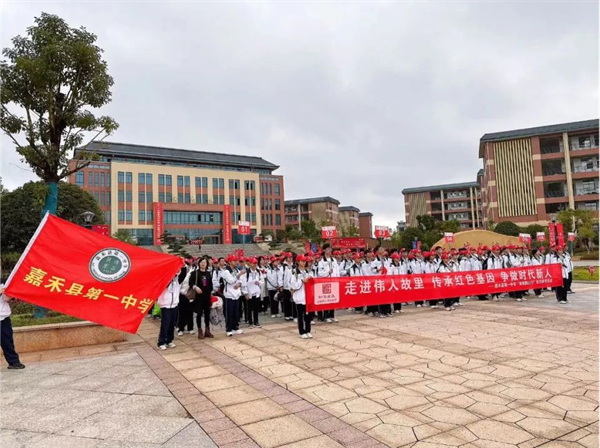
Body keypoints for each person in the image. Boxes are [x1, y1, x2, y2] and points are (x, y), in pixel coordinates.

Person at [0, 284, 25, 369]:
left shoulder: (3, 282)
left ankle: (14, 362)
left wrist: (10, 293)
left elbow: (6, 298)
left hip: (3, 318)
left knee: (7, 341)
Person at [290, 255, 314, 339]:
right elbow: (293, 285)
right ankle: (301, 331)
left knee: (308, 315)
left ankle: (308, 330)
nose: (304, 262)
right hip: (299, 297)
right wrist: (302, 281)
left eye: (305, 261)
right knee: (300, 316)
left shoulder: (307, 271)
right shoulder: (294, 272)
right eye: (302, 261)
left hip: (307, 297)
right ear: (298, 262)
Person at [190, 258, 214, 338]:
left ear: (207, 264)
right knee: (199, 314)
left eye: (205, 262)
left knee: (207, 314)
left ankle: (207, 330)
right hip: (198, 297)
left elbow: (210, 285)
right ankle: (200, 331)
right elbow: (191, 282)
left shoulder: (208, 273)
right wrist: (195, 287)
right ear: (199, 263)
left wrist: (211, 293)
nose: (203, 264)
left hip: (207, 297)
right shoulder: (195, 273)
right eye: (202, 262)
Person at [222, 255, 245, 337]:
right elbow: (230, 280)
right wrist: (238, 276)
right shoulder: (226, 271)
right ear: (230, 262)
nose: (236, 262)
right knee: (229, 312)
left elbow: (241, 280)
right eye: (234, 261)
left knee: (236, 312)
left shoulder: (237, 269)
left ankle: (235, 327)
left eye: (236, 261)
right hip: (229, 294)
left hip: (237, 294)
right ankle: (228, 329)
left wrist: (239, 284)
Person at [317, 244, 339, 323]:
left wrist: (338, 279)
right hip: (326, 282)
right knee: (327, 299)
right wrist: (327, 272)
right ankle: (326, 316)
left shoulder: (334, 260)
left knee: (333, 299)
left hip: (334, 282)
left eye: (330, 249)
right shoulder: (321, 262)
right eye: (328, 249)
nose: (329, 251)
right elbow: (320, 273)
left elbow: (337, 271)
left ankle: (332, 315)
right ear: (324, 250)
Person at [157, 275, 180, 350]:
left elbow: (183, 273)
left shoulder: (177, 279)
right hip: (165, 304)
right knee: (165, 324)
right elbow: (164, 286)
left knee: (172, 324)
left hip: (174, 304)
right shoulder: (164, 277)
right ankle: (161, 342)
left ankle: (169, 340)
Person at [241, 258, 265, 328]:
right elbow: (243, 283)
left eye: (256, 263)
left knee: (256, 308)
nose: (255, 265)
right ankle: (250, 322)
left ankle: (256, 321)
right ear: (250, 264)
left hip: (256, 292)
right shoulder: (246, 272)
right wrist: (245, 293)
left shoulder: (258, 271)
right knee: (249, 308)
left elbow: (262, 281)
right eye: (253, 263)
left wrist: (259, 283)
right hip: (249, 293)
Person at [177, 259, 195, 336]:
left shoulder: (192, 272)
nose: (186, 265)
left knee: (190, 312)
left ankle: (190, 328)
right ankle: (181, 328)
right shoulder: (179, 272)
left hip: (190, 294)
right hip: (181, 294)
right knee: (181, 312)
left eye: (187, 264)